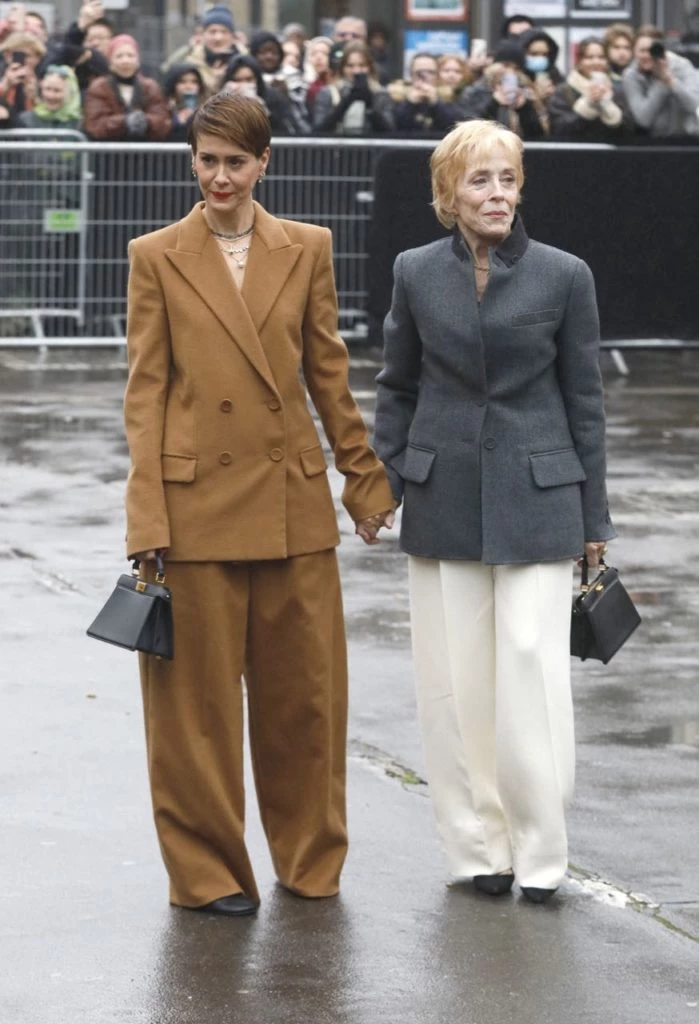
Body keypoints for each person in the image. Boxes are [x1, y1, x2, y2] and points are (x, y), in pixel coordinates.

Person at [123, 92, 394, 917]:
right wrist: (146, 521)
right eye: (205, 159)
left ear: (263, 163)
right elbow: (145, 394)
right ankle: (206, 874)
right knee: (193, 713)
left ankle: (310, 860)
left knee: (305, 699)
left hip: (291, 503)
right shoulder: (155, 255)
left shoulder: (306, 247)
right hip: (193, 504)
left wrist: (363, 477)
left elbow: (328, 373)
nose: (218, 176)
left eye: (234, 162)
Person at [373, 119, 615, 905]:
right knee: (453, 684)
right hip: (442, 495)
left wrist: (594, 520)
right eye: (480, 180)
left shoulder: (563, 275)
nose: (497, 194)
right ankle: (478, 851)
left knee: (528, 672)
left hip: (540, 499)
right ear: (448, 193)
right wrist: (383, 480)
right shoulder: (414, 272)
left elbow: (586, 402)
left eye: (507, 178)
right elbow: (396, 383)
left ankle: (542, 855)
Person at [83, 34, 170, 141]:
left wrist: (146, 121)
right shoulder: (99, 87)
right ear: (110, 61)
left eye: (130, 55)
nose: (125, 61)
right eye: (119, 56)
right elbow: (94, 125)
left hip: (145, 152)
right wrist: (124, 122)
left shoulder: (151, 87)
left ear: (137, 60)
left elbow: (163, 122)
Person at [459, 41, 549, 139]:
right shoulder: (476, 91)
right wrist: (494, 103)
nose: (510, 71)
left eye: (516, 68)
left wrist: (524, 108)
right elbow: (469, 127)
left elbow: (539, 135)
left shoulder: (528, 92)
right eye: (506, 65)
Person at [549, 37, 633, 141]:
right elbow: (559, 129)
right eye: (589, 57)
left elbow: (629, 130)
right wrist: (588, 105)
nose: (596, 62)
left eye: (601, 57)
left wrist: (607, 105)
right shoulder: (564, 91)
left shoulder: (618, 89)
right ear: (579, 61)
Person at [623, 25, 699, 137]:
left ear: (662, 50)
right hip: (653, 139)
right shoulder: (631, 75)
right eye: (642, 51)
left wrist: (671, 80)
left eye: (652, 51)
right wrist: (661, 82)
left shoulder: (682, 66)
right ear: (634, 52)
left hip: (687, 137)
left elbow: (695, 106)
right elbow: (643, 119)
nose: (647, 55)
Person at [313, 41, 393, 135]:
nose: (356, 71)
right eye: (350, 66)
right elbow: (319, 129)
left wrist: (370, 105)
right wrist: (346, 102)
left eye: (362, 65)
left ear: (370, 67)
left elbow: (389, 130)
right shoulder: (327, 93)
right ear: (342, 68)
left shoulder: (380, 94)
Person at [222, 53, 307, 134]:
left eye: (249, 79)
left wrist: (264, 111)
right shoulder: (222, 101)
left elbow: (289, 128)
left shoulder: (273, 97)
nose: (244, 85)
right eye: (238, 80)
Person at [388, 52, 463, 134]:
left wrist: (436, 103)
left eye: (430, 72)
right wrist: (409, 104)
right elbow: (391, 126)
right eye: (419, 73)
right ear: (411, 74)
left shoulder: (449, 97)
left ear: (437, 75)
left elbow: (455, 126)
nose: (425, 77)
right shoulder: (396, 95)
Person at [18, 63, 82, 130]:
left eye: (57, 90)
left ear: (70, 94)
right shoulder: (26, 121)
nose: (51, 96)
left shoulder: (79, 124)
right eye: (47, 89)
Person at [0, 30, 44, 126]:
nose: (24, 60)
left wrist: (34, 97)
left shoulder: (44, 78)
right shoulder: (3, 76)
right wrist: (5, 86)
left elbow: (48, 114)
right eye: (17, 55)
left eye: (28, 56)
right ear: (6, 55)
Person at [164, 63, 204, 141]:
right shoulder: (164, 110)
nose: (189, 86)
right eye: (182, 82)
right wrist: (178, 123)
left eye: (194, 82)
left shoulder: (206, 111)